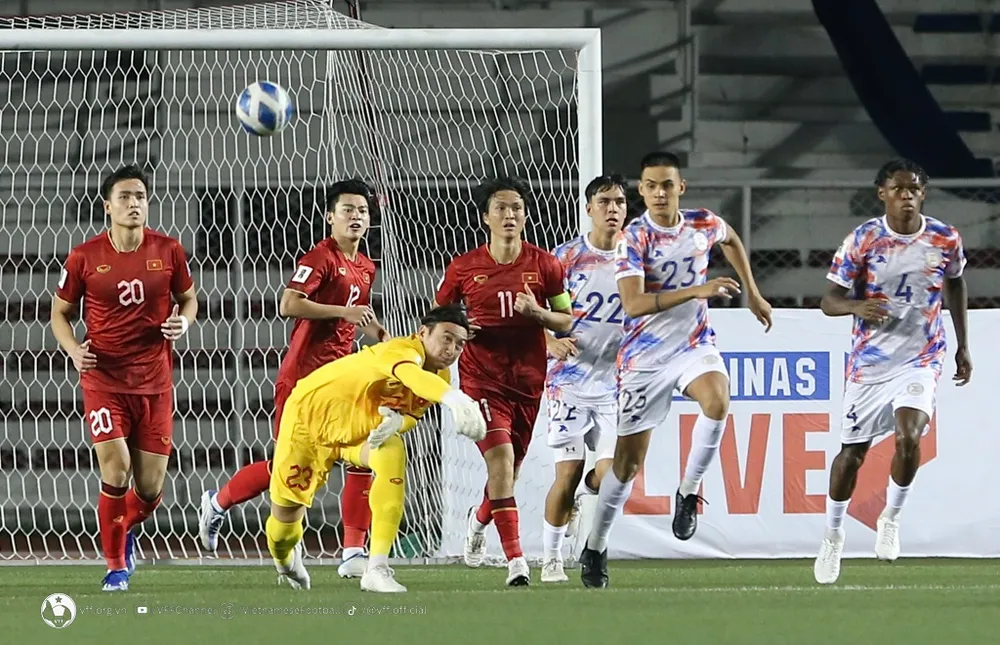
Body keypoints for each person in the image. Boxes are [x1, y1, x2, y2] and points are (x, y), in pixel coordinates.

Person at [580, 151, 773, 588]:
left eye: (668, 184)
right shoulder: (635, 239)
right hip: (643, 359)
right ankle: (595, 545)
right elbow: (633, 304)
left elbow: (731, 239)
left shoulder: (702, 223)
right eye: (651, 185)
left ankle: (688, 492)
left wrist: (754, 294)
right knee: (626, 468)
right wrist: (697, 290)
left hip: (692, 347)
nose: (660, 192)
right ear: (642, 191)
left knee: (718, 397)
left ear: (680, 188)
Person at [199, 180, 387, 578]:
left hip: (341, 383)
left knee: (365, 457)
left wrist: (384, 338)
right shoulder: (320, 256)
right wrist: (341, 311)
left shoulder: (366, 267)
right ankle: (216, 503)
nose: (356, 216)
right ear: (329, 216)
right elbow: (289, 303)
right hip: (302, 381)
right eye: (348, 209)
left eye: (362, 211)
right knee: (287, 470)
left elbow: (359, 315)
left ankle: (353, 552)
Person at [813, 159, 971, 584]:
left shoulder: (944, 237)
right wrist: (856, 306)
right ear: (881, 192)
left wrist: (962, 345)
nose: (907, 196)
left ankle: (891, 518)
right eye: (898, 189)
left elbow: (955, 283)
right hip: (869, 364)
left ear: (923, 193)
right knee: (852, 456)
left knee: (909, 436)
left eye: (914, 189)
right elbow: (829, 299)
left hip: (922, 356)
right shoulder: (863, 239)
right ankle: (832, 536)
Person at [264, 304, 486, 593]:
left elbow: (413, 414)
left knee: (392, 452)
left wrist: (398, 423)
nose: (452, 349)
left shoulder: (439, 376)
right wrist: (454, 399)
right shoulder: (402, 351)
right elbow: (411, 376)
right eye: (446, 338)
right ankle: (284, 560)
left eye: (459, 343)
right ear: (422, 333)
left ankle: (377, 567)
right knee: (284, 524)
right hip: (309, 422)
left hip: (359, 432)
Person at [50, 164, 199, 591]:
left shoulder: (169, 250)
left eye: (140, 197)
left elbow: (188, 300)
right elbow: (60, 314)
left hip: (154, 383)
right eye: (125, 197)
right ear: (108, 206)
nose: (134, 204)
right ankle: (116, 566)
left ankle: (121, 527)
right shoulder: (84, 257)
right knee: (116, 469)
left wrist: (183, 324)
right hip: (104, 380)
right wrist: (74, 349)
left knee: (150, 491)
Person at [435, 177, 573, 586]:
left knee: (506, 476)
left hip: (528, 383)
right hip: (481, 381)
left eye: (516, 208)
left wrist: (539, 315)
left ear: (525, 216)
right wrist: (461, 326)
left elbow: (567, 319)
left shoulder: (546, 265)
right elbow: (438, 317)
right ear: (486, 217)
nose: (509, 214)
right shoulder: (464, 267)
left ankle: (479, 522)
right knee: (501, 461)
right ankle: (516, 562)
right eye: (501, 208)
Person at [539, 175, 628, 583]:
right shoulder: (564, 259)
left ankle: (586, 500)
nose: (613, 209)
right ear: (589, 208)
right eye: (605, 201)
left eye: (620, 202)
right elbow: (531, 315)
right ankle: (552, 558)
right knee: (567, 474)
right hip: (569, 381)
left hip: (617, 384)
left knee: (614, 474)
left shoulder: (637, 259)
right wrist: (549, 342)